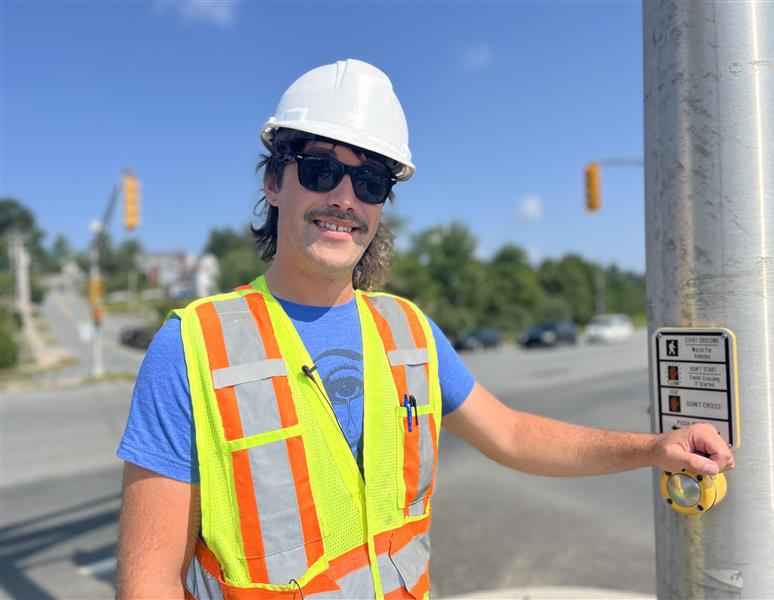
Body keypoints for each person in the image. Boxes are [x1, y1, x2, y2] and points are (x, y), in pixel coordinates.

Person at [116, 59, 734, 600]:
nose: (345, 198)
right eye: (321, 170)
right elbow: (149, 582)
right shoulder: (194, 347)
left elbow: (513, 434)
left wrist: (650, 448)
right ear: (275, 182)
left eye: (370, 181)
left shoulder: (407, 331)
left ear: (383, 202)